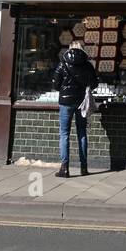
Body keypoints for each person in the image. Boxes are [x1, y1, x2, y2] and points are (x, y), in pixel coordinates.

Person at [53, 38, 97, 177]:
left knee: (64, 134)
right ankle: (84, 167)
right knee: (82, 133)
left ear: (70, 49)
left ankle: (64, 168)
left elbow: (55, 84)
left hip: (65, 102)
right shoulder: (87, 65)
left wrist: (65, 89)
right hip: (81, 102)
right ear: (82, 49)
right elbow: (94, 83)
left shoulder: (62, 64)